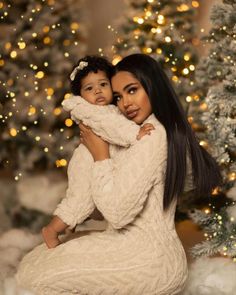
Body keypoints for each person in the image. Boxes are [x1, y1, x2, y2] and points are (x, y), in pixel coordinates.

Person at [16, 54, 222, 295]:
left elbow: (116, 213)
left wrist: (100, 155)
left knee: (39, 279)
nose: (125, 103)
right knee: (37, 261)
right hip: (128, 242)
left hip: (151, 261)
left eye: (132, 90)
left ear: (152, 87)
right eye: (118, 97)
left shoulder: (151, 136)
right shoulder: (140, 131)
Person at [42, 55, 154, 248]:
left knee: (85, 199)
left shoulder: (107, 109)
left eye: (103, 84)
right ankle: (52, 229)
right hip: (87, 162)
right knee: (80, 200)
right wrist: (137, 134)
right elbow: (114, 128)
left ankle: (70, 222)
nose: (98, 91)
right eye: (89, 88)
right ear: (81, 96)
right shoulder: (95, 113)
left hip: (93, 157)